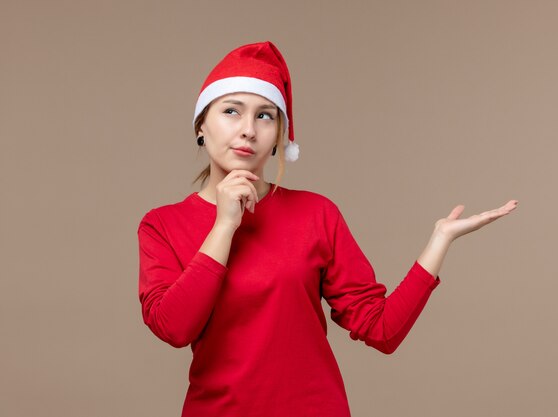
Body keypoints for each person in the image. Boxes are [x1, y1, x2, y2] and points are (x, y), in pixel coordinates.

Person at [136, 40, 518, 417]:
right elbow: (175, 328)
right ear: (201, 124)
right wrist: (224, 224)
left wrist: (440, 240)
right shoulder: (162, 225)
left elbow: (381, 331)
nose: (248, 130)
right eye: (232, 111)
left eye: (265, 115)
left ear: (278, 138)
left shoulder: (315, 214)